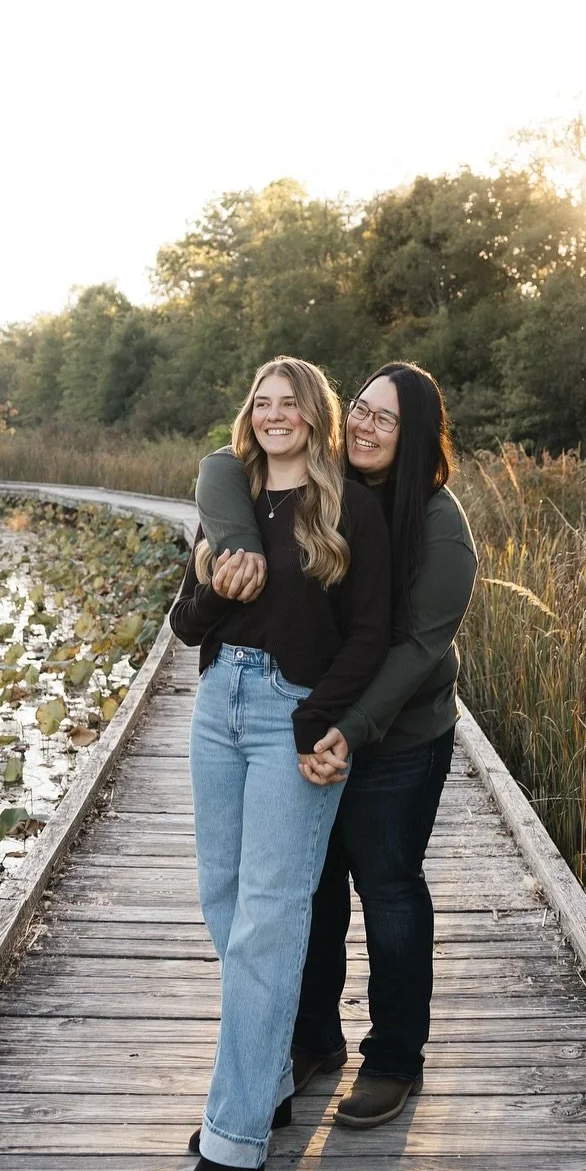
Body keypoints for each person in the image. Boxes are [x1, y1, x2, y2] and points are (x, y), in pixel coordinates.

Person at [195, 361, 476, 1128]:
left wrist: (347, 730)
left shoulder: (441, 525)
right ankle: (313, 1038)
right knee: (310, 888)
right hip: (315, 719)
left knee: (385, 886)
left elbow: (416, 649)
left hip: (398, 737)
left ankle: (394, 1057)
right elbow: (225, 464)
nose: (365, 424)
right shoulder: (324, 487)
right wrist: (231, 541)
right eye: (360, 407)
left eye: (385, 418)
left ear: (415, 435)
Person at [166, 356, 391, 1171]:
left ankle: (232, 1140)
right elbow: (187, 629)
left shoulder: (349, 508)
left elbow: (369, 636)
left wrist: (325, 721)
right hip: (216, 705)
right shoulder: (231, 500)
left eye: (289, 401)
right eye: (260, 401)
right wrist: (208, 581)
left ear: (316, 415)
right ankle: (262, 1084)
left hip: (290, 717)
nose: (273, 414)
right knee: (224, 904)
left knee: (268, 915)